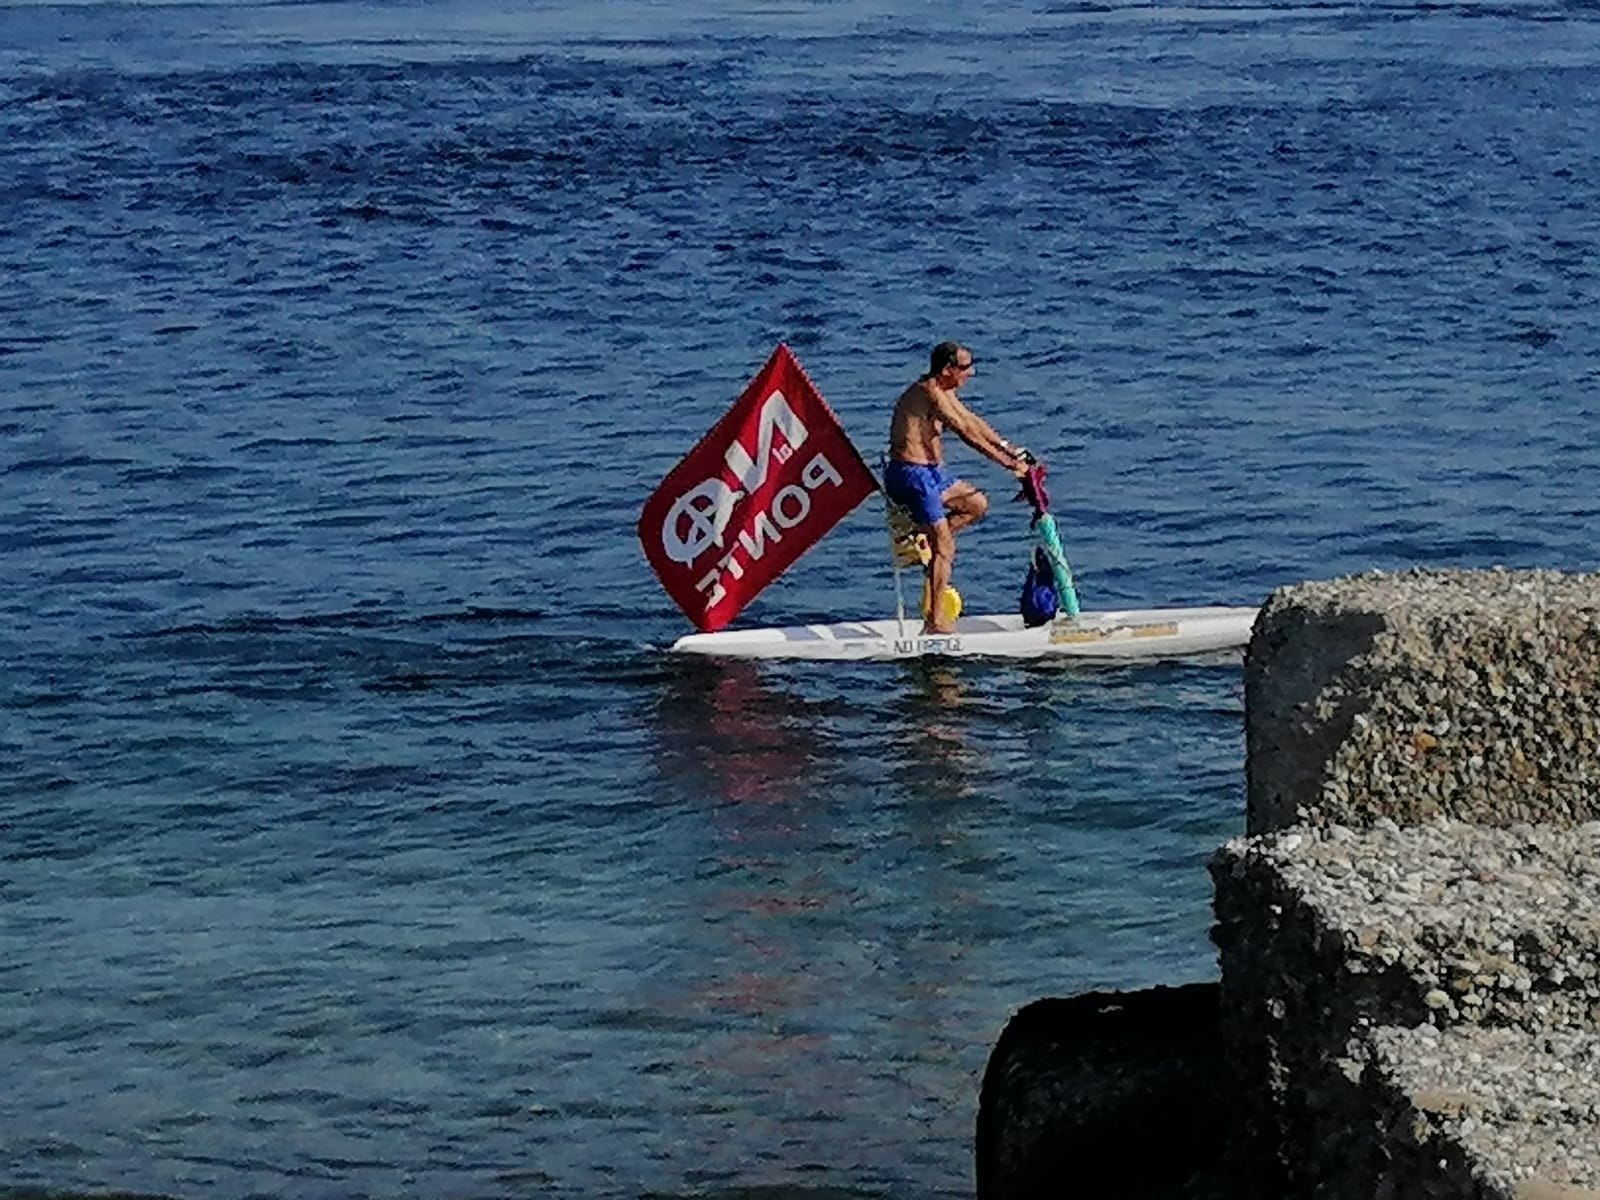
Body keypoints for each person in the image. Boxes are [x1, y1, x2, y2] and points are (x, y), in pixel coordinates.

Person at [884, 341, 1032, 634]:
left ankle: (925, 539)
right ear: (947, 369)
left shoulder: (944, 391)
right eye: (965, 368)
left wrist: (1009, 448)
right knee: (946, 547)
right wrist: (1009, 466)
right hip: (911, 476)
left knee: (976, 504)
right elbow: (965, 433)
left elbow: (972, 421)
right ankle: (935, 621)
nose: (971, 373)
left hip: (934, 474)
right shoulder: (929, 392)